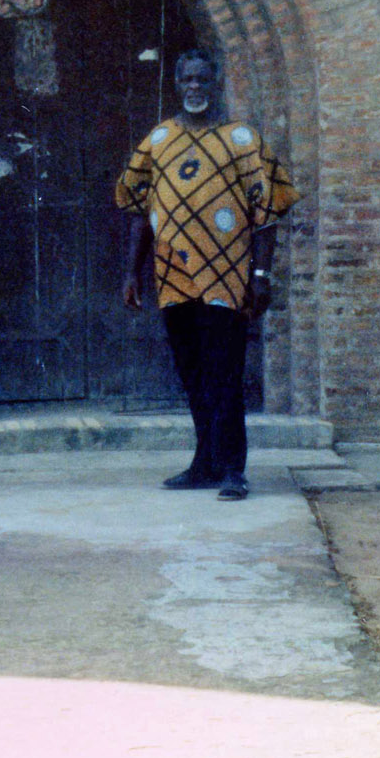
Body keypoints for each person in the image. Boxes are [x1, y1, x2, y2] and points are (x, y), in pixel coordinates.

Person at [116, 50, 299, 501]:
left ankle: (233, 469)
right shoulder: (159, 139)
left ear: (215, 84)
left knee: (226, 373)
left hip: (227, 279)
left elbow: (267, 214)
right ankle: (204, 464)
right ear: (177, 84)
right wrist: (132, 272)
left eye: (202, 79)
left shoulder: (242, 140)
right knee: (192, 374)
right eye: (187, 80)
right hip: (173, 279)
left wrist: (261, 275)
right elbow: (138, 210)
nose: (195, 87)